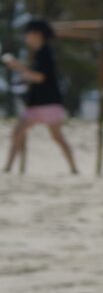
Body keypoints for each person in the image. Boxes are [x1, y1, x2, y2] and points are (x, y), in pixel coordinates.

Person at [5, 18, 78, 175]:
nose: (26, 37)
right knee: (19, 132)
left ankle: (74, 168)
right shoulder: (39, 53)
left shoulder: (45, 52)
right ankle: (8, 168)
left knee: (56, 137)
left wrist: (18, 66)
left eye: (28, 34)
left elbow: (40, 77)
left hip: (48, 103)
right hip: (37, 103)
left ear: (37, 34)